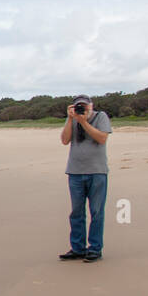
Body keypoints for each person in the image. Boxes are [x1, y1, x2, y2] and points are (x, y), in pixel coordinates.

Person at [59, 94, 112, 262]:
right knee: (76, 212)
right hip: (75, 172)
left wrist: (83, 122)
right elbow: (65, 140)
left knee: (96, 212)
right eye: (78, 106)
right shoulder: (73, 119)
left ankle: (95, 249)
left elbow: (102, 138)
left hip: (97, 172)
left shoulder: (101, 116)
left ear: (91, 105)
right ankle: (78, 248)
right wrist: (70, 119)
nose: (82, 109)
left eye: (85, 106)